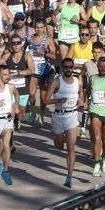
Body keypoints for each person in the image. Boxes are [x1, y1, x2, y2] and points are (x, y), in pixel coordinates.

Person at [44, 57, 84, 188]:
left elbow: (81, 94)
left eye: (70, 67)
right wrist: (58, 100)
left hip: (72, 115)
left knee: (71, 148)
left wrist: (81, 101)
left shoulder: (77, 81)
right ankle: (60, 139)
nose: (68, 69)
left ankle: (69, 177)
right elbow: (46, 100)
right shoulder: (57, 82)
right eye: (65, 67)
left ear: (73, 68)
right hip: (58, 117)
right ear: (62, 68)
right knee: (60, 146)